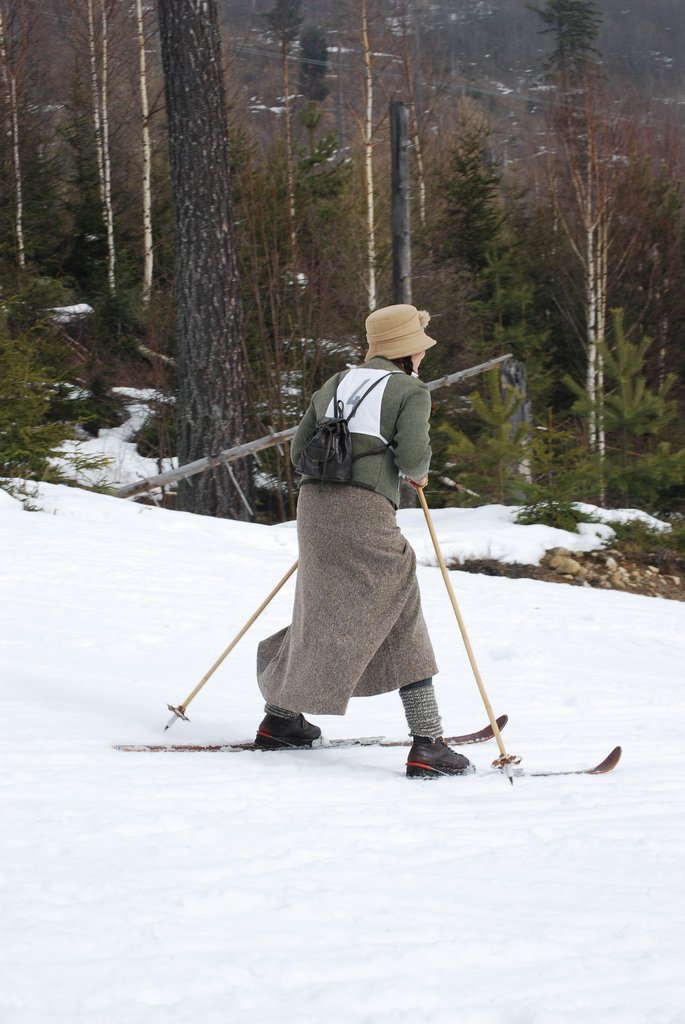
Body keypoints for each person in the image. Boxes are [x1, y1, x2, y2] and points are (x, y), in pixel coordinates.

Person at [254, 303, 471, 778]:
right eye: (421, 346)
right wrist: (417, 474)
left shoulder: (336, 382)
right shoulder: (410, 389)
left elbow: (298, 452)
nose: (424, 354)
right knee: (401, 607)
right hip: (365, 511)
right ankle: (428, 744)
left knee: (318, 607)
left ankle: (281, 719)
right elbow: (413, 458)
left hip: (313, 508)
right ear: (408, 349)